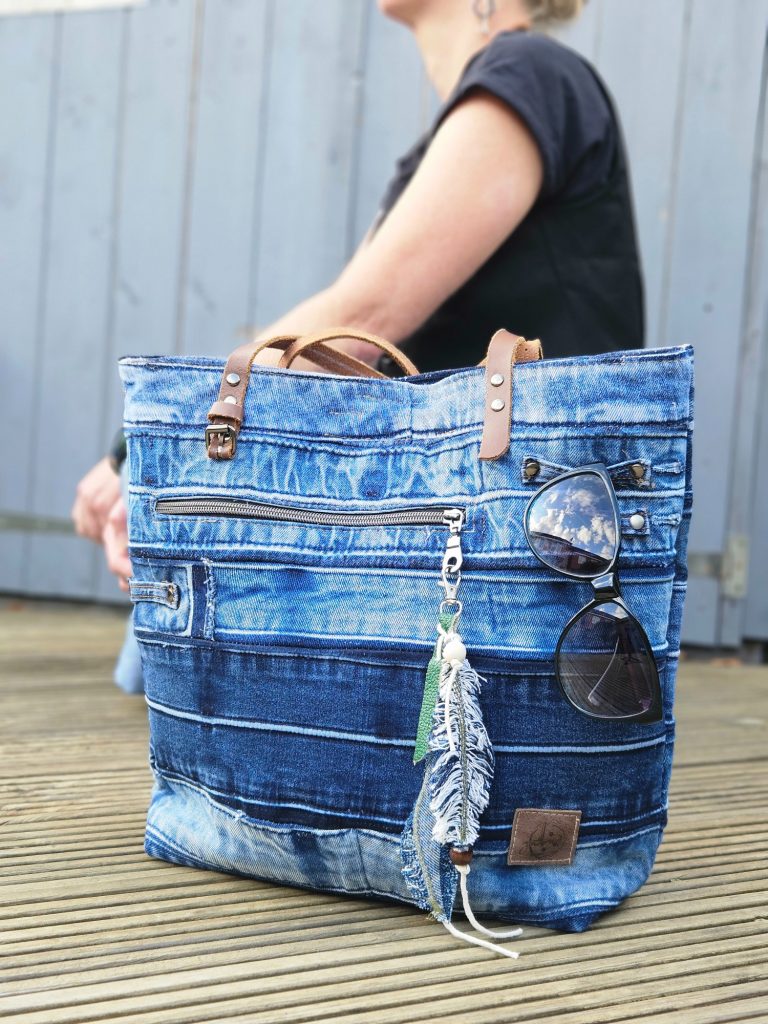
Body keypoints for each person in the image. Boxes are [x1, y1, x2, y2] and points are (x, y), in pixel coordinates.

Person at [73, 0, 644, 626]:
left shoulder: (528, 72)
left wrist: (147, 445)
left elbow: (362, 320)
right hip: (474, 533)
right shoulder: (485, 105)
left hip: (521, 547)